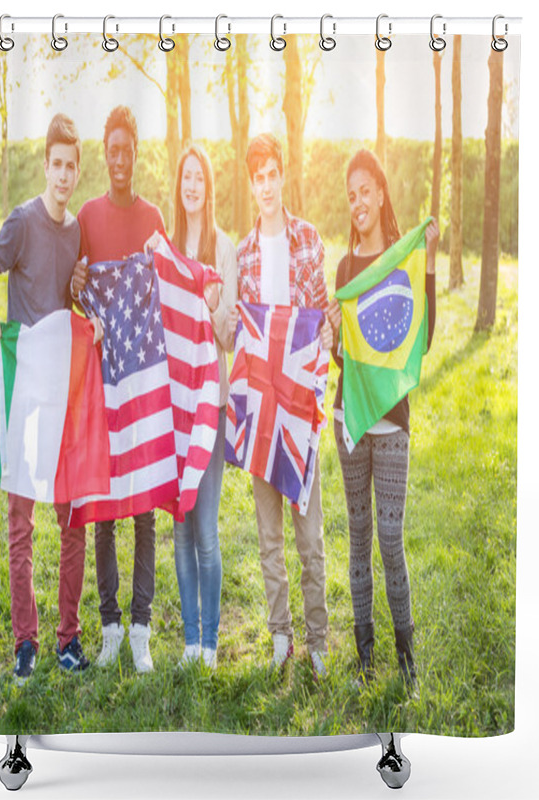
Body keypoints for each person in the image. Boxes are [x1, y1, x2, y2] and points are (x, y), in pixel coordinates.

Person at [0, 113, 101, 684]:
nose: (65, 175)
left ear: (77, 170)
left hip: (65, 393)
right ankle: (26, 640)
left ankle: (68, 639)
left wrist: (83, 309)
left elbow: (73, 295)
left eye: (73, 166)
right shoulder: (23, 222)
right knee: (20, 521)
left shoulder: (76, 231)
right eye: (57, 164)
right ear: (45, 164)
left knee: (73, 519)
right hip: (25, 391)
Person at [326, 149, 439, 694]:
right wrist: (331, 337)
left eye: (365, 190)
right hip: (351, 424)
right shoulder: (345, 271)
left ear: (382, 193)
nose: (358, 201)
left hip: (392, 426)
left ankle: (406, 654)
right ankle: (365, 656)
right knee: (359, 541)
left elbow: (423, 339)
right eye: (351, 195)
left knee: (390, 541)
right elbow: (344, 361)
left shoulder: (399, 263)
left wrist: (432, 264)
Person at [229, 133, 334, 677]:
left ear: (283, 176)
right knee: (269, 535)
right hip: (259, 413)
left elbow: (321, 322)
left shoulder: (309, 240)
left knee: (308, 534)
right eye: (258, 178)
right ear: (250, 185)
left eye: (272, 175)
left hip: (299, 414)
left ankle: (318, 638)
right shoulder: (242, 254)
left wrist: (325, 355)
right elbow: (237, 336)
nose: (266, 186)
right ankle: (280, 635)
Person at [71, 105, 166, 674]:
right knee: (105, 509)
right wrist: (76, 281)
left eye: (128, 149)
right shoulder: (86, 216)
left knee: (146, 510)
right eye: (112, 149)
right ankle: (107, 628)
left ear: (136, 153)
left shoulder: (154, 218)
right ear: (104, 154)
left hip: (146, 382)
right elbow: (72, 290)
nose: (120, 159)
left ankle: (141, 629)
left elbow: (171, 287)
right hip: (102, 384)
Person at [147, 144, 235, 670]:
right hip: (172, 406)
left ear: (210, 186)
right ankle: (187, 643)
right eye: (186, 177)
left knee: (205, 527)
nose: (193, 185)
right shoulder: (169, 247)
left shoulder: (222, 249)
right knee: (179, 526)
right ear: (179, 187)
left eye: (200, 177)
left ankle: (211, 642)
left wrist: (211, 305)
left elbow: (228, 333)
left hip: (211, 402)